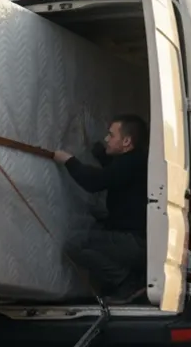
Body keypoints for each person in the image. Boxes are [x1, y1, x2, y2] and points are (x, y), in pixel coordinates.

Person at [53, 114, 150, 304]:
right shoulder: (137, 161)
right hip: (140, 242)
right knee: (95, 227)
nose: (107, 139)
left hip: (134, 243)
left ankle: (127, 283)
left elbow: (96, 182)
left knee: (74, 244)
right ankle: (128, 279)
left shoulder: (131, 162)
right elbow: (113, 173)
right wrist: (97, 149)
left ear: (126, 141)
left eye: (111, 135)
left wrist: (68, 160)